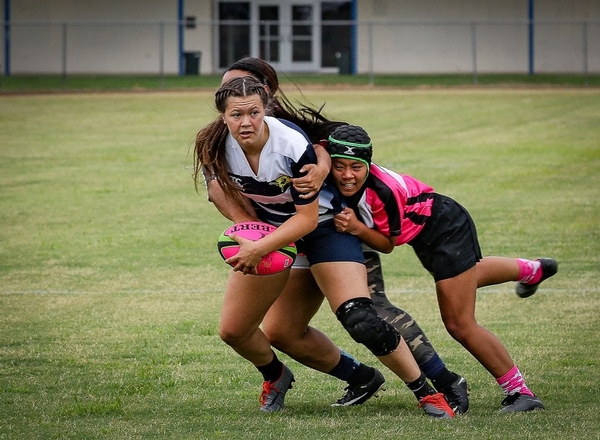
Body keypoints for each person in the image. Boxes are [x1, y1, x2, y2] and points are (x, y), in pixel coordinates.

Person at [207, 57, 470, 414]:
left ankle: (431, 390)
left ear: (266, 96)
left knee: (361, 315)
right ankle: (355, 377)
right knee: (264, 332)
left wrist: (323, 163)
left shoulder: (291, 137)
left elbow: (316, 196)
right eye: (231, 101)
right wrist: (249, 230)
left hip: (328, 225)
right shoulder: (214, 140)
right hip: (277, 233)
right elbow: (217, 187)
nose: (244, 116)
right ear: (222, 108)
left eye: (252, 107)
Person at [326, 124, 558, 412]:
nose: (347, 175)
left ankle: (521, 393)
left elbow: (386, 244)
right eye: (339, 166)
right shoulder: (339, 172)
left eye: (356, 167)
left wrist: (357, 228)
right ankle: (533, 270)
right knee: (464, 282)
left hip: (446, 229)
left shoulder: (383, 191)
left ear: (368, 165)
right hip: (426, 234)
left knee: (459, 323)